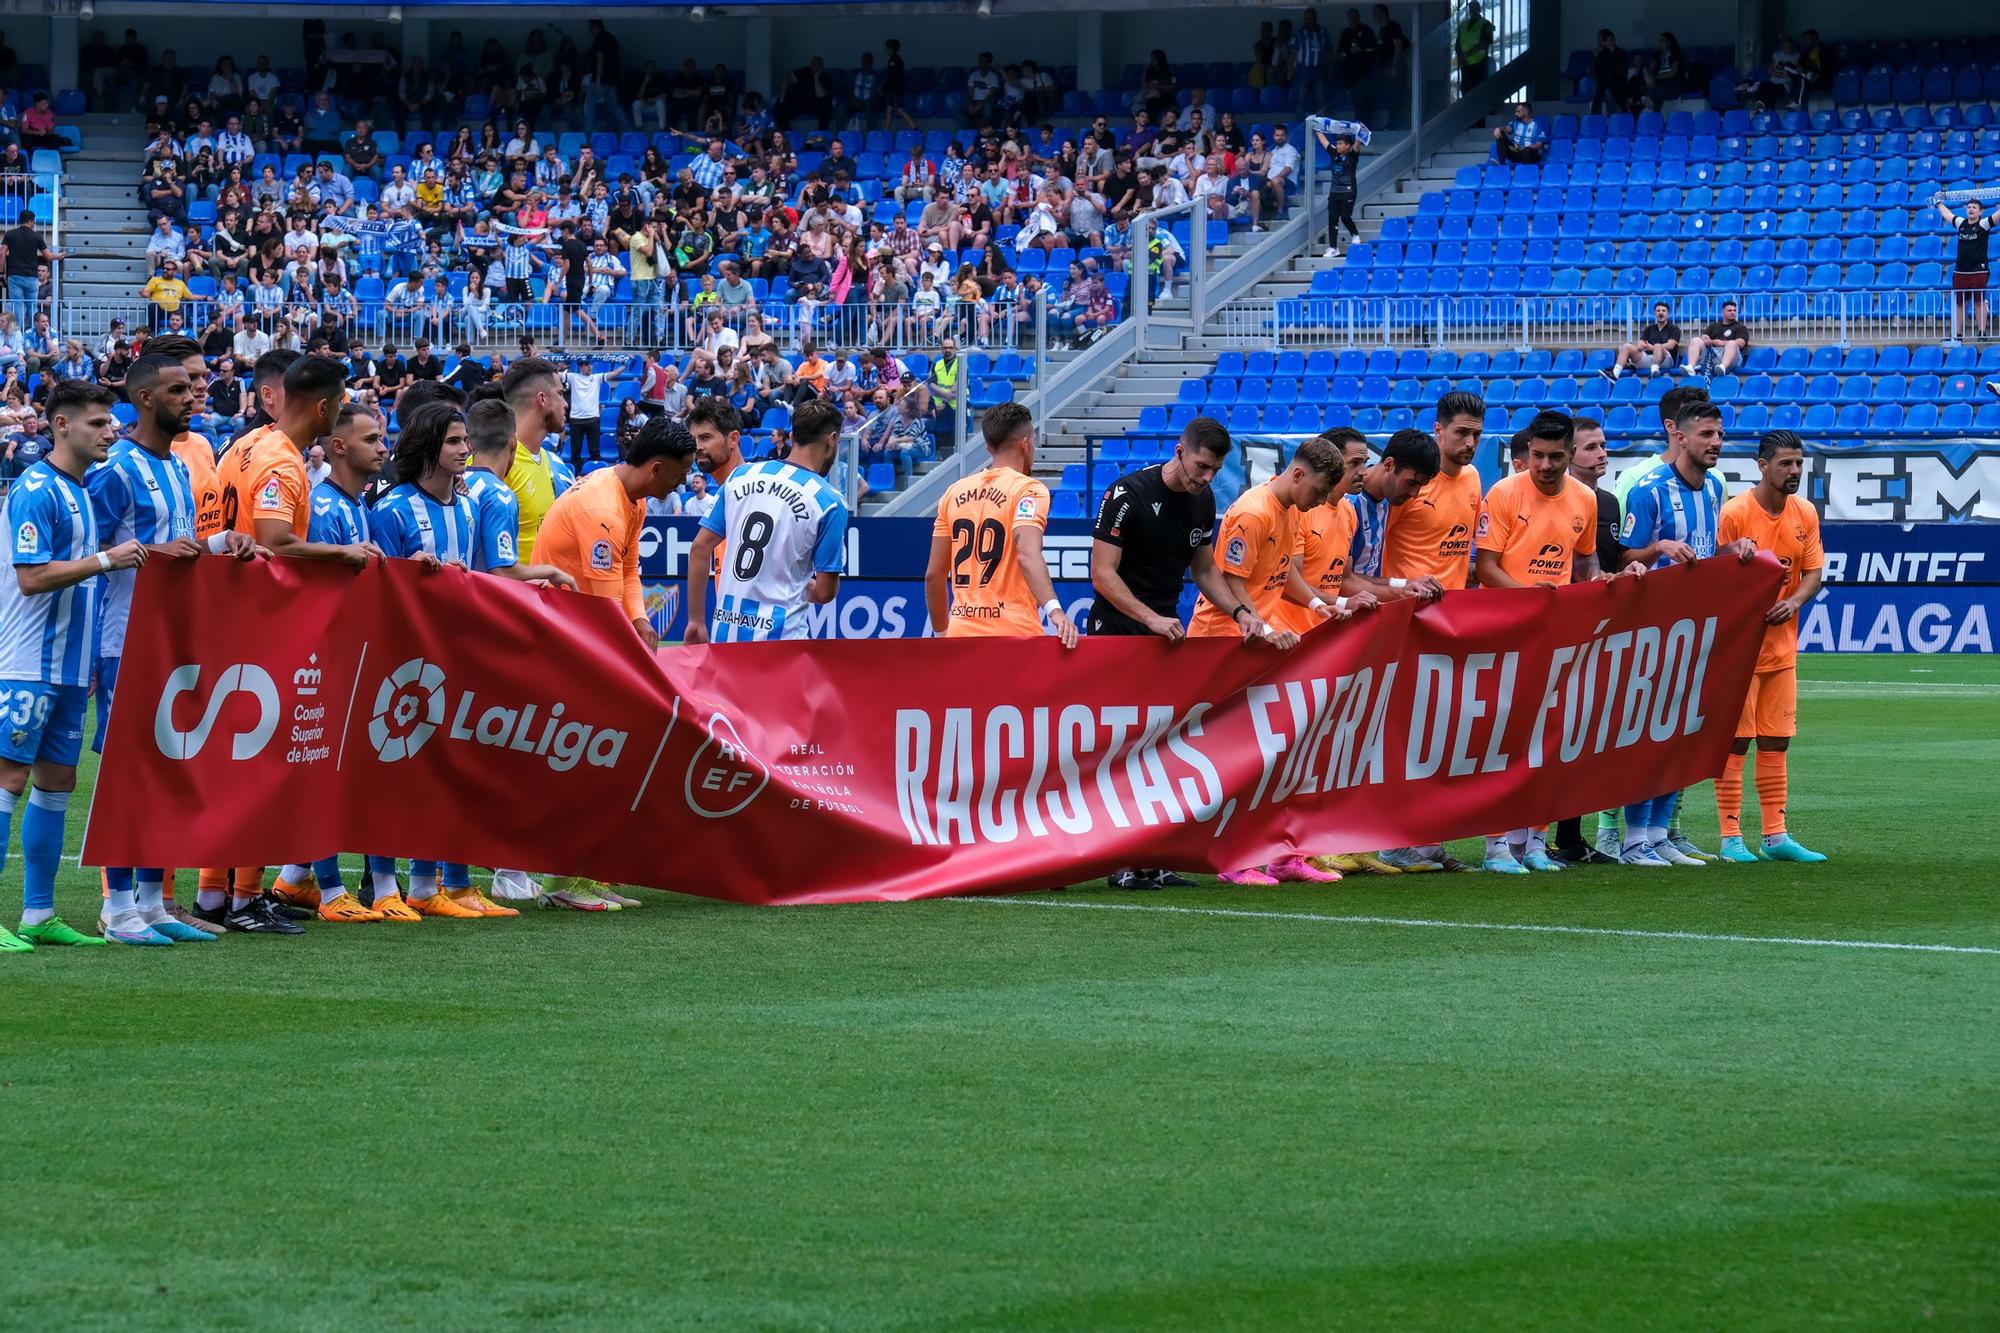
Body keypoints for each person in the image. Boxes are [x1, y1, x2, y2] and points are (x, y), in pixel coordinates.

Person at [88, 355, 260, 943]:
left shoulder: (180, 466)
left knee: (168, 767)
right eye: (179, 389)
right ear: (144, 400)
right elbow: (93, 557)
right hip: (124, 641)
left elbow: (173, 546)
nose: (194, 396)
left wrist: (218, 544)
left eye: (193, 388)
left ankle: (152, 903)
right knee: (128, 773)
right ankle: (116, 908)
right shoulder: (116, 470)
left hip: (175, 643)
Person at [0, 382, 147, 954]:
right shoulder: (36, 489)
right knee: (8, 780)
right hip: (25, 662)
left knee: (58, 782)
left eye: (111, 422)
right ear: (61, 425)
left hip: (65, 667)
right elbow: (31, 577)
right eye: (97, 423)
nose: (111, 431)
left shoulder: (82, 489)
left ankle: (38, 913)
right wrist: (105, 559)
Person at [369, 401, 518, 920]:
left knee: (455, 771)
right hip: (401, 663)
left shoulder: (471, 508)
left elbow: (479, 585)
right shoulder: (391, 509)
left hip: (456, 656)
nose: (464, 449)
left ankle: (449, 885)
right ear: (429, 447)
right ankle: (390, 887)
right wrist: (412, 574)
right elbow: (375, 590)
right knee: (396, 776)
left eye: (465, 441)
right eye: (453, 441)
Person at [1474, 410, 1638, 873]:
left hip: (1557, 635)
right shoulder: (1504, 493)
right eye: (1537, 456)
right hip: (1505, 633)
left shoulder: (1585, 499)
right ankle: (1496, 846)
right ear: (1527, 453)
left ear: (1569, 453)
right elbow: (1485, 568)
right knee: (1505, 741)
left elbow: (1584, 563)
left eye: (1555, 457)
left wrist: (1601, 579)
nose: (1545, 465)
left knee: (1549, 738)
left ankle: (1534, 844)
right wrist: (1529, 597)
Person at [1084, 415, 1244, 891]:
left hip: (1164, 641)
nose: (1207, 477)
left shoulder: (1204, 500)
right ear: (1180, 451)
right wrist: (1149, 617)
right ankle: (1116, 860)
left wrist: (1241, 614)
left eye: (1215, 470)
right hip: (1115, 636)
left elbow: (1206, 571)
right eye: (1201, 466)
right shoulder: (1125, 495)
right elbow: (1101, 574)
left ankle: (1151, 859)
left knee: (1158, 751)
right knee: (1116, 751)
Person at [1186, 435, 1346, 886]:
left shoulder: (1291, 510)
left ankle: (1282, 855)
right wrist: (1267, 626)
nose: (1318, 502)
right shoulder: (1252, 513)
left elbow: (1284, 574)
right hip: (1224, 644)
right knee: (1234, 759)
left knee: (1280, 754)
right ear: (1298, 474)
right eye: (1317, 491)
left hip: (1260, 645)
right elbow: (1229, 585)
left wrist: (1318, 606)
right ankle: (1231, 859)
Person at [272, 403, 407, 920]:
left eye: (383, 438)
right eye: (372, 439)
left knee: (345, 771)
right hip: (322, 660)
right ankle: (330, 893)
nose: (382, 447)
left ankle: (294, 878)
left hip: (349, 657)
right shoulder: (324, 508)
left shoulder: (357, 506)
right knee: (323, 771)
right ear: (339, 447)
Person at [1615, 398, 1759, 867]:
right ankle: (1634, 838)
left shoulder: (1715, 487)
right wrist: (1658, 546)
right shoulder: (1649, 490)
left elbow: (1705, 548)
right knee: (1647, 737)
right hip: (1652, 633)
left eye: (1719, 435)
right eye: (1707, 435)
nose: (1716, 443)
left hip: (1697, 632)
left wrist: (1731, 547)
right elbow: (1624, 562)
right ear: (1679, 436)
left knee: (1681, 735)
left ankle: (1659, 835)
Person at [1714, 430, 1828, 865]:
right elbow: (1715, 571)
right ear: (1762, 466)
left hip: (1782, 650)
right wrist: (1729, 551)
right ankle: (1730, 838)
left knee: (1777, 741)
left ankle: (1775, 835)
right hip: (1740, 650)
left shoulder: (1805, 513)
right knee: (1736, 743)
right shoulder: (1736, 512)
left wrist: (1794, 602)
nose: (1794, 471)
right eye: (1786, 463)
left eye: (1799, 463)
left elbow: (1814, 571)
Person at [686, 398, 847, 644]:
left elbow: (699, 547)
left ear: (792, 436)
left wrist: (696, 621)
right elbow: (824, 593)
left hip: (725, 635)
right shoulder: (830, 501)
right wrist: (799, 581)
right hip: (782, 642)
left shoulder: (741, 475)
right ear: (832, 439)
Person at [534, 412, 694, 656]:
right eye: (681, 473)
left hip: (578, 622)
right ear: (657, 469)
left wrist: (640, 618)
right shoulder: (604, 512)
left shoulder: (632, 495)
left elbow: (628, 570)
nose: (683, 482)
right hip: (556, 631)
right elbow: (609, 608)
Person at [923, 402, 1076, 648]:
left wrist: (942, 636)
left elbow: (933, 576)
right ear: (1026, 443)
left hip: (961, 637)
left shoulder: (953, 492)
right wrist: (1055, 610)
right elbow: (1027, 553)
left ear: (987, 446)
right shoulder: (1029, 490)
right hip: (1014, 637)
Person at [1548, 415, 1624, 867]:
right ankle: (1530, 839)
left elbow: (1600, 564)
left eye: (1603, 445)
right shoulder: (1542, 498)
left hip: (1597, 633)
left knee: (1583, 738)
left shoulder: (1607, 504)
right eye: (1591, 447)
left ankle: (1572, 837)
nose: (1602, 453)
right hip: (1558, 634)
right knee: (1552, 737)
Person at [499, 356, 578, 557]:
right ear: (542, 399)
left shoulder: (555, 463)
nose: (565, 404)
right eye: (560, 394)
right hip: (510, 588)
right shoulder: (493, 461)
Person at [1937, 195, 1991, 340]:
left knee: (1979, 301)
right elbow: (1947, 214)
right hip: (1961, 271)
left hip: (1979, 270)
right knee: (1960, 303)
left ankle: (1982, 333)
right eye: (1969, 207)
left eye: (1974, 207)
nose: (1971, 209)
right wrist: (1938, 202)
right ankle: (1958, 334)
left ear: (1980, 212)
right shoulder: (1961, 223)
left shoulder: (1984, 224)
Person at [563, 354, 622, 472]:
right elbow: (555, 375)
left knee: (594, 450)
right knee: (576, 451)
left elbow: (614, 374)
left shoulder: (596, 377)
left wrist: (626, 364)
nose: (589, 367)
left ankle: (596, 474)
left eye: (590, 364)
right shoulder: (573, 377)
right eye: (586, 365)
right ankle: (577, 474)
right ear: (580, 367)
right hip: (576, 419)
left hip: (593, 419)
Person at [1606, 301, 1682, 379]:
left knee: (1657, 346)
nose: (1660, 312)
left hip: (1665, 360)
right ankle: (1615, 374)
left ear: (1667, 313)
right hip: (1648, 358)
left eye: (1663, 310)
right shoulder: (1649, 328)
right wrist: (1641, 346)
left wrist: (1652, 347)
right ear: (1655, 313)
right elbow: (1641, 343)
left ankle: (1654, 372)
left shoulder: (1674, 329)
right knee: (1627, 346)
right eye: (1658, 311)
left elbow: (1670, 345)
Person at [1316, 128, 1360, 258]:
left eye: (1341, 143)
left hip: (1348, 191)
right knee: (1332, 219)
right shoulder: (1334, 153)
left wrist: (1360, 134)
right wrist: (1317, 128)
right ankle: (1333, 247)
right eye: (1338, 143)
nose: (1338, 145)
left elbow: (1357, 145)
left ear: (1348, 146)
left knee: (1345, 216)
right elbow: (1324, 142)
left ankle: (1355, 234)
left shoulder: (1352, 155)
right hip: (1334, 192)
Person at [1684, 299, 1750, 379]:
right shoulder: (1714, 326)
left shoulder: (1740, 327)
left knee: (1732, 343)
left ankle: (1723, 367)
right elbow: (1704, 336)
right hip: (1712, 354)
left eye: (1734, 310)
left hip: (1730, 356)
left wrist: (1721, 343)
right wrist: (1706, 340)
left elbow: (1741, 343)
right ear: (1723, 312)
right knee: (1695, 340)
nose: (1733, 312)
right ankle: (1691, 367)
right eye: (1729, 310)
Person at [1491, 100, 1547, 166]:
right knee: (1500, 134)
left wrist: (1523, 148)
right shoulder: (1515, 122)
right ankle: (1501, 163)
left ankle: (1524, 171)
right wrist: (1498, 128)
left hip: (1529, 154)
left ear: (1526, 112)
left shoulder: (1537, 125)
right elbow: (1507, 129)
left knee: (1528, 151)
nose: (1515, 114)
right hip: (1516, 153)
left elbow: (1538, 145)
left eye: (1518, 111)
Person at [1456, 0, 1494, 92]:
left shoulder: (1485, 24)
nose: (1472, 11)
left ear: (1479, 9)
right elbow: (1458, 43)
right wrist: (1460, 57)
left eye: (1475, 8)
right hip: (1465, 64)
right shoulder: (1463, 25)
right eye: (1471, 8)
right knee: (1465, 89)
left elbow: (1484, 43)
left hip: (1479, 64)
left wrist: (1465, 55)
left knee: (1478, 90)